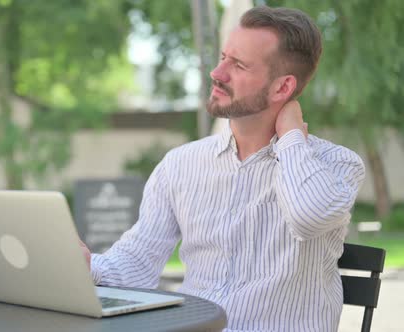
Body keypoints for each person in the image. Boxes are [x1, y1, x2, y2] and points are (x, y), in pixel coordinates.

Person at [79, 5, 365, 332]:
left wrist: (290, 136)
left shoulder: (338, 165)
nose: (217, 73)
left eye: (239, 65)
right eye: (223, 57)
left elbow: (309, 216)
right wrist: (85, 266)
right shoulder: (180, 165)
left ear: (282, 88)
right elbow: (136, 266)